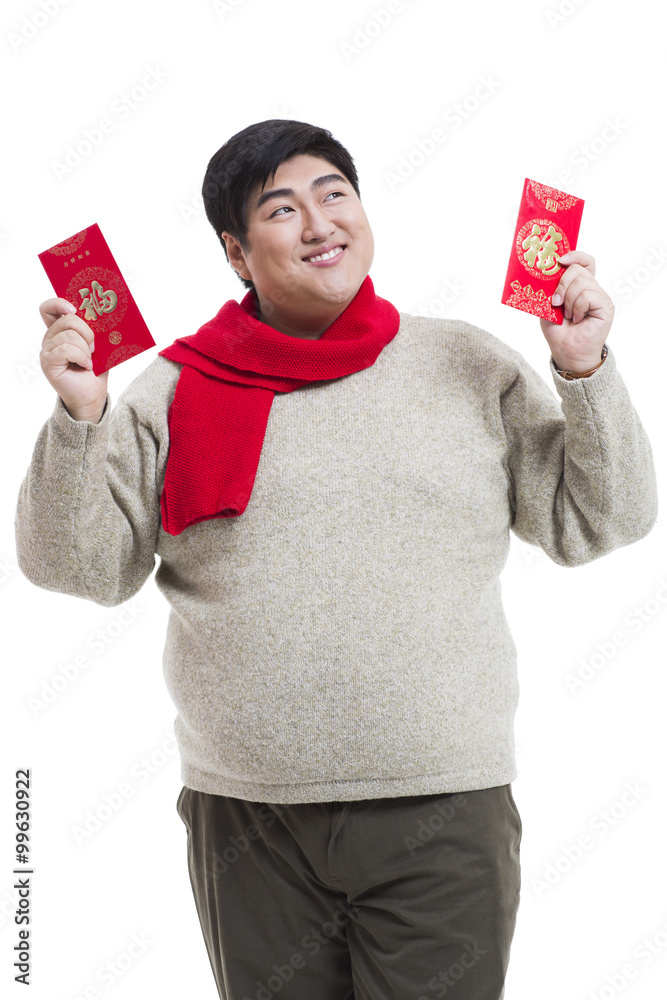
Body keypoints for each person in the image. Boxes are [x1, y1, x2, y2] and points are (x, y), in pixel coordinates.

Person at [15, 119, 658, 1000]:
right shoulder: (173, 387)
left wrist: (582, 375)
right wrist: (81, 419)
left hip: (442, 804)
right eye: (282, 209)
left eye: (334, 195)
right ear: (237, 254)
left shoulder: (465, 363)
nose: (319, 223)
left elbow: (602, 521)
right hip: (246, 818)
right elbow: (78, 569)